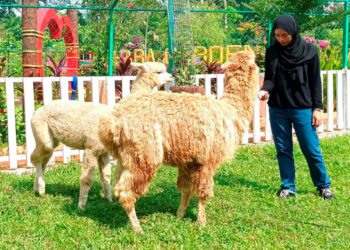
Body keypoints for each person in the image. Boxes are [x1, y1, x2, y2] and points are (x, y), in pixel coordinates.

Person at [258, 15, 334, 199]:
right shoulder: (272, 52)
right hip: (278, 108)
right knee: (283, 149)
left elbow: (316, 81)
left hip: (302, 108)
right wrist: (265, 90)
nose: (281, 39)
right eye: (277, 35)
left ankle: (323, 185)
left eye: (285, 35)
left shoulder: (309, 51)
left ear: (293, 31)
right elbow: (270, 78)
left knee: (310, 147)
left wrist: (317, 108)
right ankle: (288, 187)